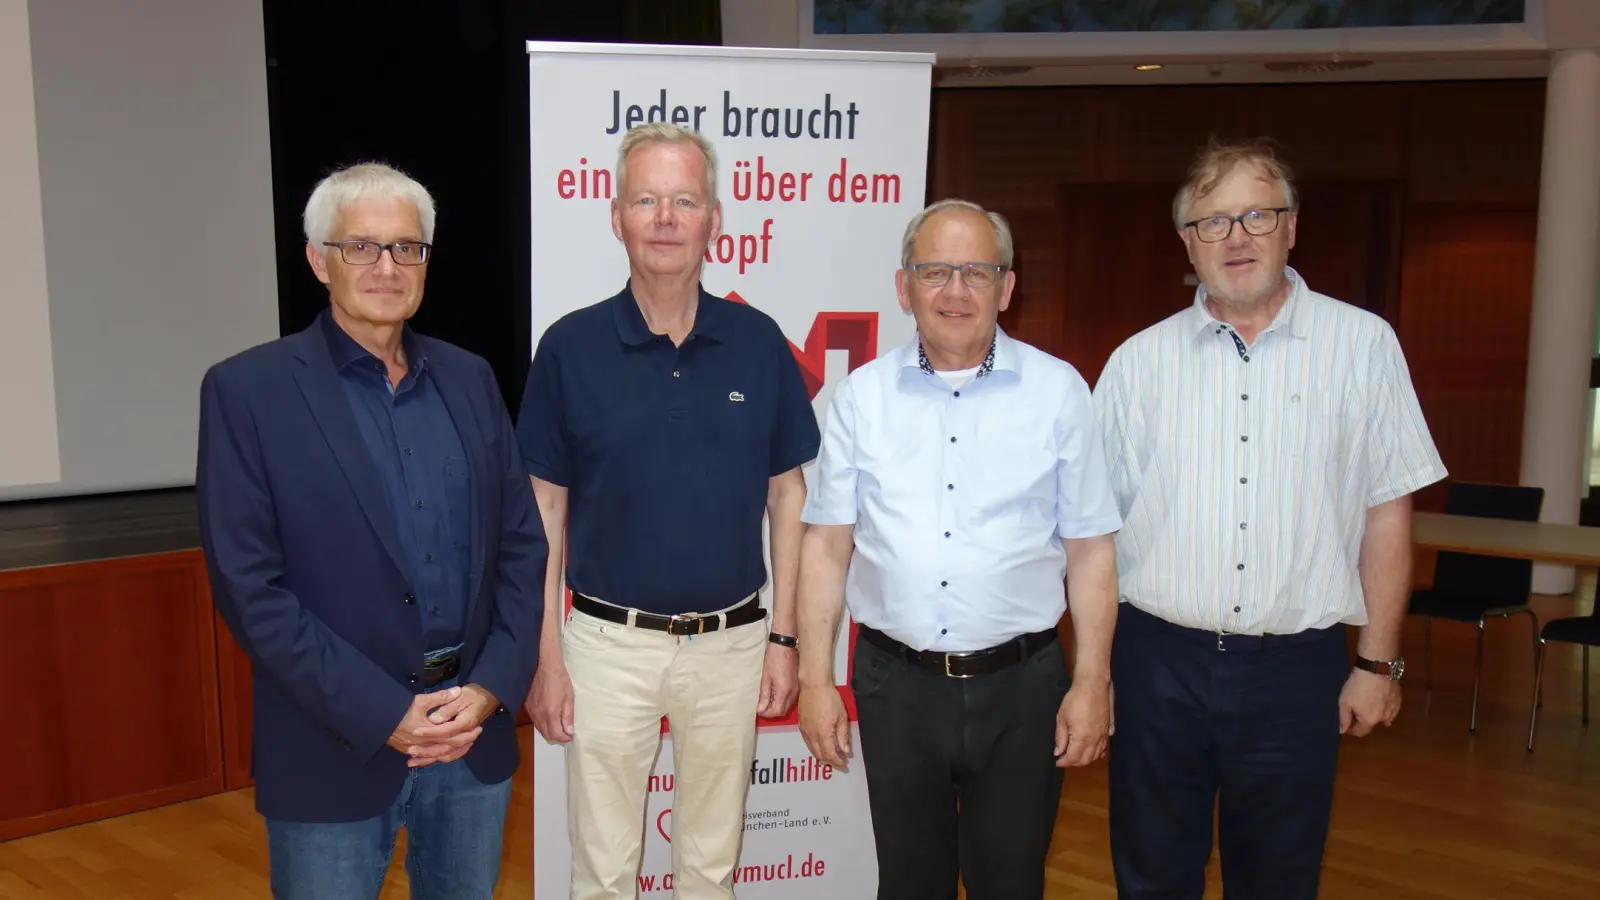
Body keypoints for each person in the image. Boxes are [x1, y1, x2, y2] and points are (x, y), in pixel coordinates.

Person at [1092, 137, 1448, 899]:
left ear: (1293, 225)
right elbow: (1095, 534)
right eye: (1213, 222)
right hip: (1159, 666)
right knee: (1150, 875)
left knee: (1279, 881)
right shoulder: (1136, 364)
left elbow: (1389, 511)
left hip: (1297, 673)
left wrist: (1378, 663)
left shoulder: (1363, 347)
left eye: (1257, 215)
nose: (1237, 237)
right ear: (1188, 242)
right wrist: (1096, 672)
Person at [195, 162, 548, 899]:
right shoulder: (247, 391)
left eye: (407, 248)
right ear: (318, 260)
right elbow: (248, 586)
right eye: (362, 247)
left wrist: (489, 689)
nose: (387, 267)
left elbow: (520, 545)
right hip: (332, 741)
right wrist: (384, 712)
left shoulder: (470, 378)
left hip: (469, 735)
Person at [515, 122, 820, 900]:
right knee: (604, 872)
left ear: (715, 220)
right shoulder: (569, 347)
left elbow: (789, 493)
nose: (665, 218)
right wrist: (546, 656)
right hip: (606, 648)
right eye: (646, 199)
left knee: (711, 869)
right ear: (615, 217)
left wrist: (784, 638)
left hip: (732, 645)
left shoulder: (757, 343)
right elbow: (544, 509)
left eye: (684, 200)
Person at [794, 198, 1124, 900]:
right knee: (910, 885)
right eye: (935, 270)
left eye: (977, 271)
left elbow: (1092, 550)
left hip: (1023, 688)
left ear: (1007, 287)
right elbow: (826, 548)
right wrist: (817, 681)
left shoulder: (1060, 392)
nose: (955, 290)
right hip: (896, 686)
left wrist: (1092, 682)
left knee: (1011, 883)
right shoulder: (862, 398)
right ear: (903, 286)